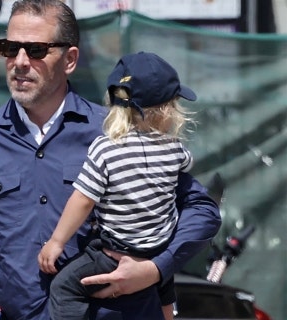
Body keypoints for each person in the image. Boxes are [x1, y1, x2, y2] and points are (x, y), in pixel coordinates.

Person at [0, 1, 221, 319]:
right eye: (10, 48)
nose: (20, 62)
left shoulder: (118, 133)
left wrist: (155, 268)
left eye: (37, 49)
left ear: (70, 59)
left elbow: (201, 210)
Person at [38, 51, 197, 319]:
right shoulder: (176, 150)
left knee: (64, 288)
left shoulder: (105, 149)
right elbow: (188, 167)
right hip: (158, 251)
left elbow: (83, 198)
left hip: (114, 254)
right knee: (163, 283)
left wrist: (56, 241)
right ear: (167, 109)